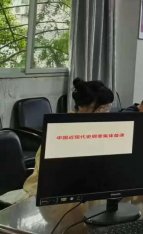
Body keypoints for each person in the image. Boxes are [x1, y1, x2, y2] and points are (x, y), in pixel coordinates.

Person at [0, 78, 114, 206]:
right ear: (82, 107)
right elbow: (57, 174)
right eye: (101, 109)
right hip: (54, 191)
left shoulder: (99, 128)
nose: (105, 114)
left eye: (108, 108)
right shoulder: (62, 130)